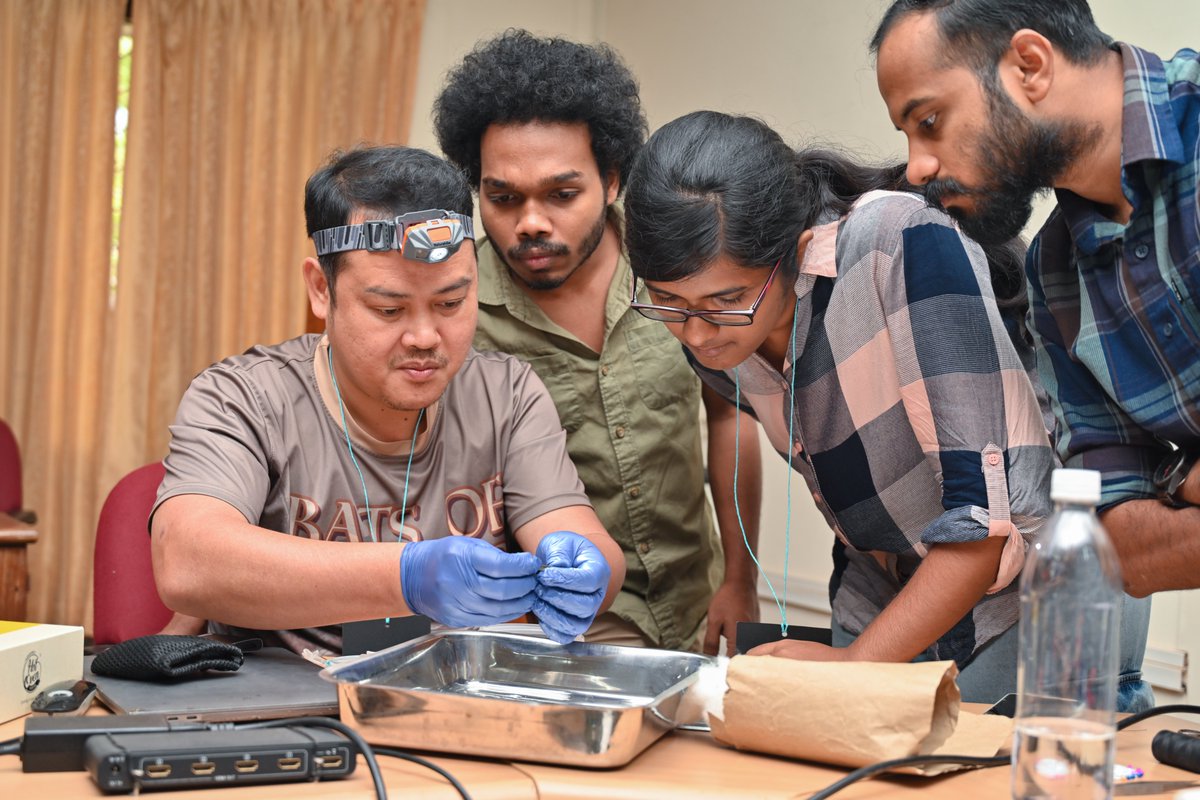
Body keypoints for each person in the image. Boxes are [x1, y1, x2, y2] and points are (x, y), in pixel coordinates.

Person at [622, 110, 1055, 703]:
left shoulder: (896, 241)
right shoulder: (718, 336)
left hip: (1020, 601)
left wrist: (853, 663)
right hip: (880, 589)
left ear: (798, 252)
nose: (696, 334)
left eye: (727, 301)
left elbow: (988, 524)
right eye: (668, 301)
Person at [149, 145, 626, 655]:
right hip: (290, 709)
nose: (425, 336)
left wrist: (582, 572)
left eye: (451, 302)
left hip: (458, 702)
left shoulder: (506, 394)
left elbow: (587, 547)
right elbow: (187, 562)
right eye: (388, 309)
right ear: (321, 290)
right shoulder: (244, 398)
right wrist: (407, 576)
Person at [871, 0, 1197, 711]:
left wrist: (1170, 484)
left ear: (1030, 65)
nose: (919, 167)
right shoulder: (1055, 277)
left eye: (928, 122)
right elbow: (1124, 551)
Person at [432, 30, 762, 655]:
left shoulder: (674, 269)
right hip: (559, 627)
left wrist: (741, 581)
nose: (531, 221)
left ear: (612, 180)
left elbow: (729, 415)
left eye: (561, 195)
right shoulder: (457, 311)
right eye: (503, 198)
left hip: (697, 600)